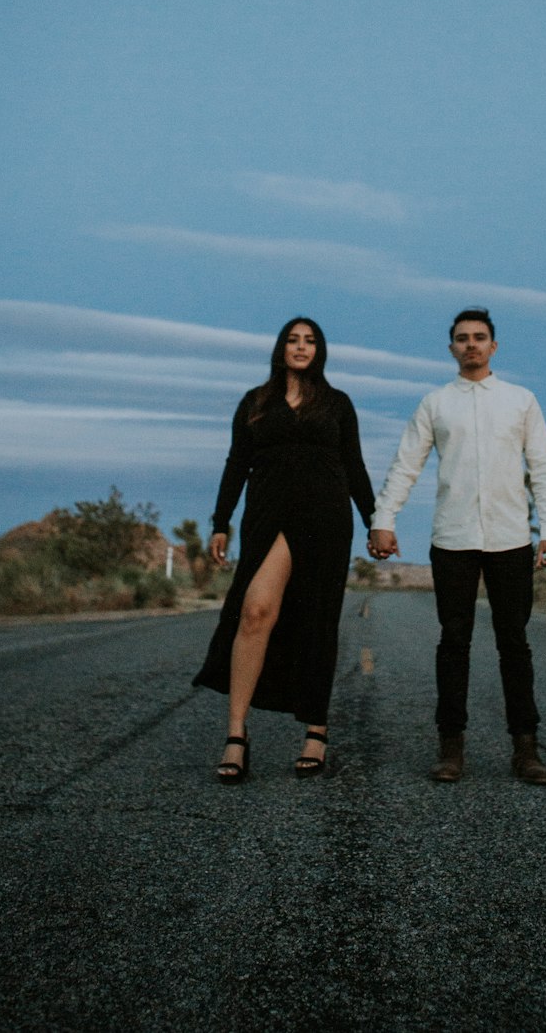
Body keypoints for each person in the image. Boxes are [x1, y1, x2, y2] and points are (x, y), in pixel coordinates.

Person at [368, 308, 546, 785]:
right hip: (452, 540)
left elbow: (542, 469)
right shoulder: (435, 404)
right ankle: (451, 748)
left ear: (494, 346)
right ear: (451, 347)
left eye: (479, 337)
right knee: (454, 643)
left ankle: (526, 749)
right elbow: (405, 465)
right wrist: (383, 520)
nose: (471, 344)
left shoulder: (521, 401)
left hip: (511, 539)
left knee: (514, 643)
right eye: (462, 338)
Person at [192, 317, 376, 784]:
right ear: (280, 348)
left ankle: (316, 730)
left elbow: (353, 465)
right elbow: (237, 462)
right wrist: (220, 523)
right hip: (268, 516)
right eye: (293, 340)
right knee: (255, 611)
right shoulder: (256, 402)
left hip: (326, 519)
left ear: (320, 350)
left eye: (310, 340)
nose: (301, 347)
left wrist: (377, 521)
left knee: (317, 620)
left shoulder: (336, 404)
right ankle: (237, 734)